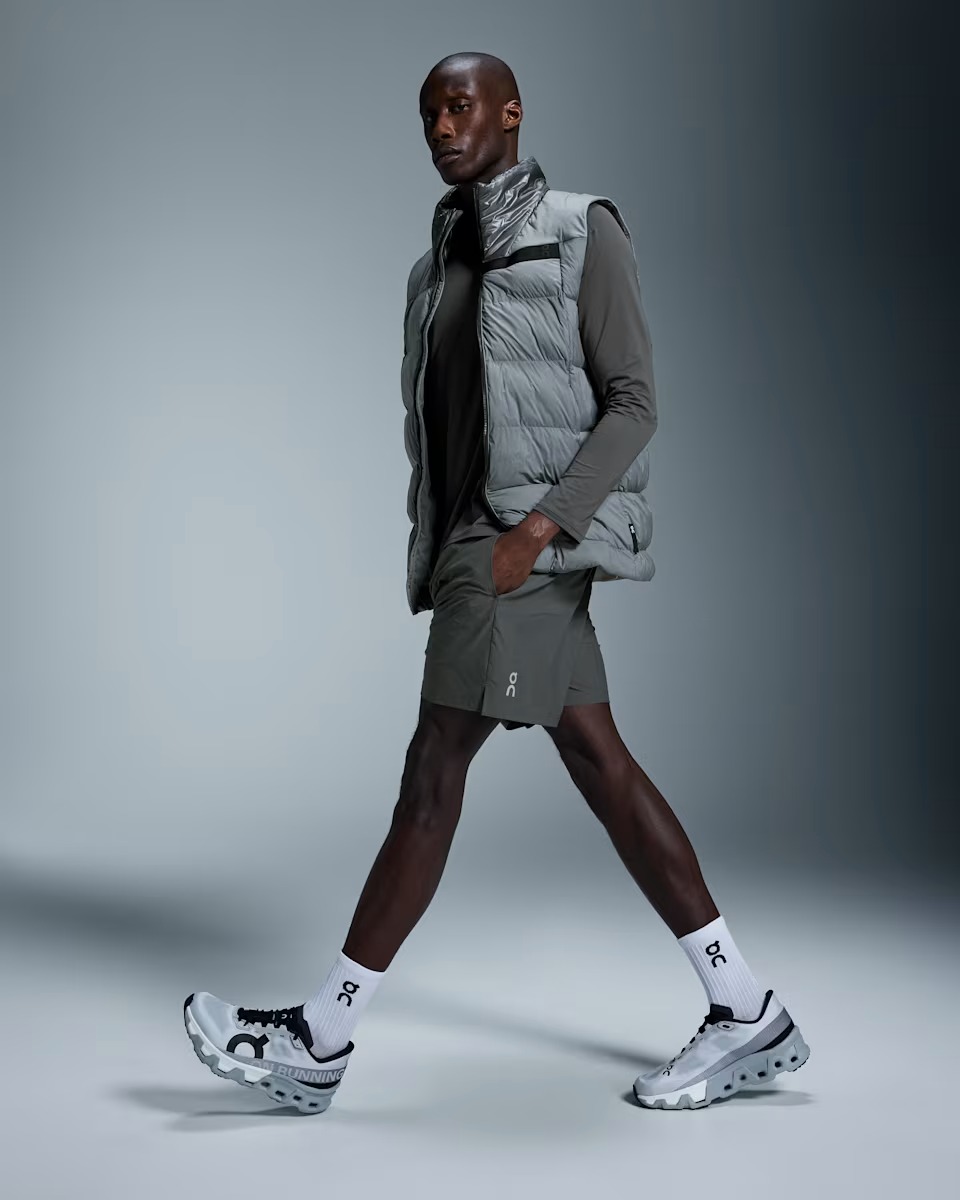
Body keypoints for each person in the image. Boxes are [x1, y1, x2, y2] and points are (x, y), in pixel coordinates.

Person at [183, 51, 810, 1115]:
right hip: (478, 547)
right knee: (601, 765)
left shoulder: (581, 231)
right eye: (428, 111)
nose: (440, 125)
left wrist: (534, 534)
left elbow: (634, 403)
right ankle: (745, 1007)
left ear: (511, 114)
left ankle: (320, 1038)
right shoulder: (434, 267)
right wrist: (447, 551)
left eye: (460, 106)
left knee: (433, 775)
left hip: (519, 550)